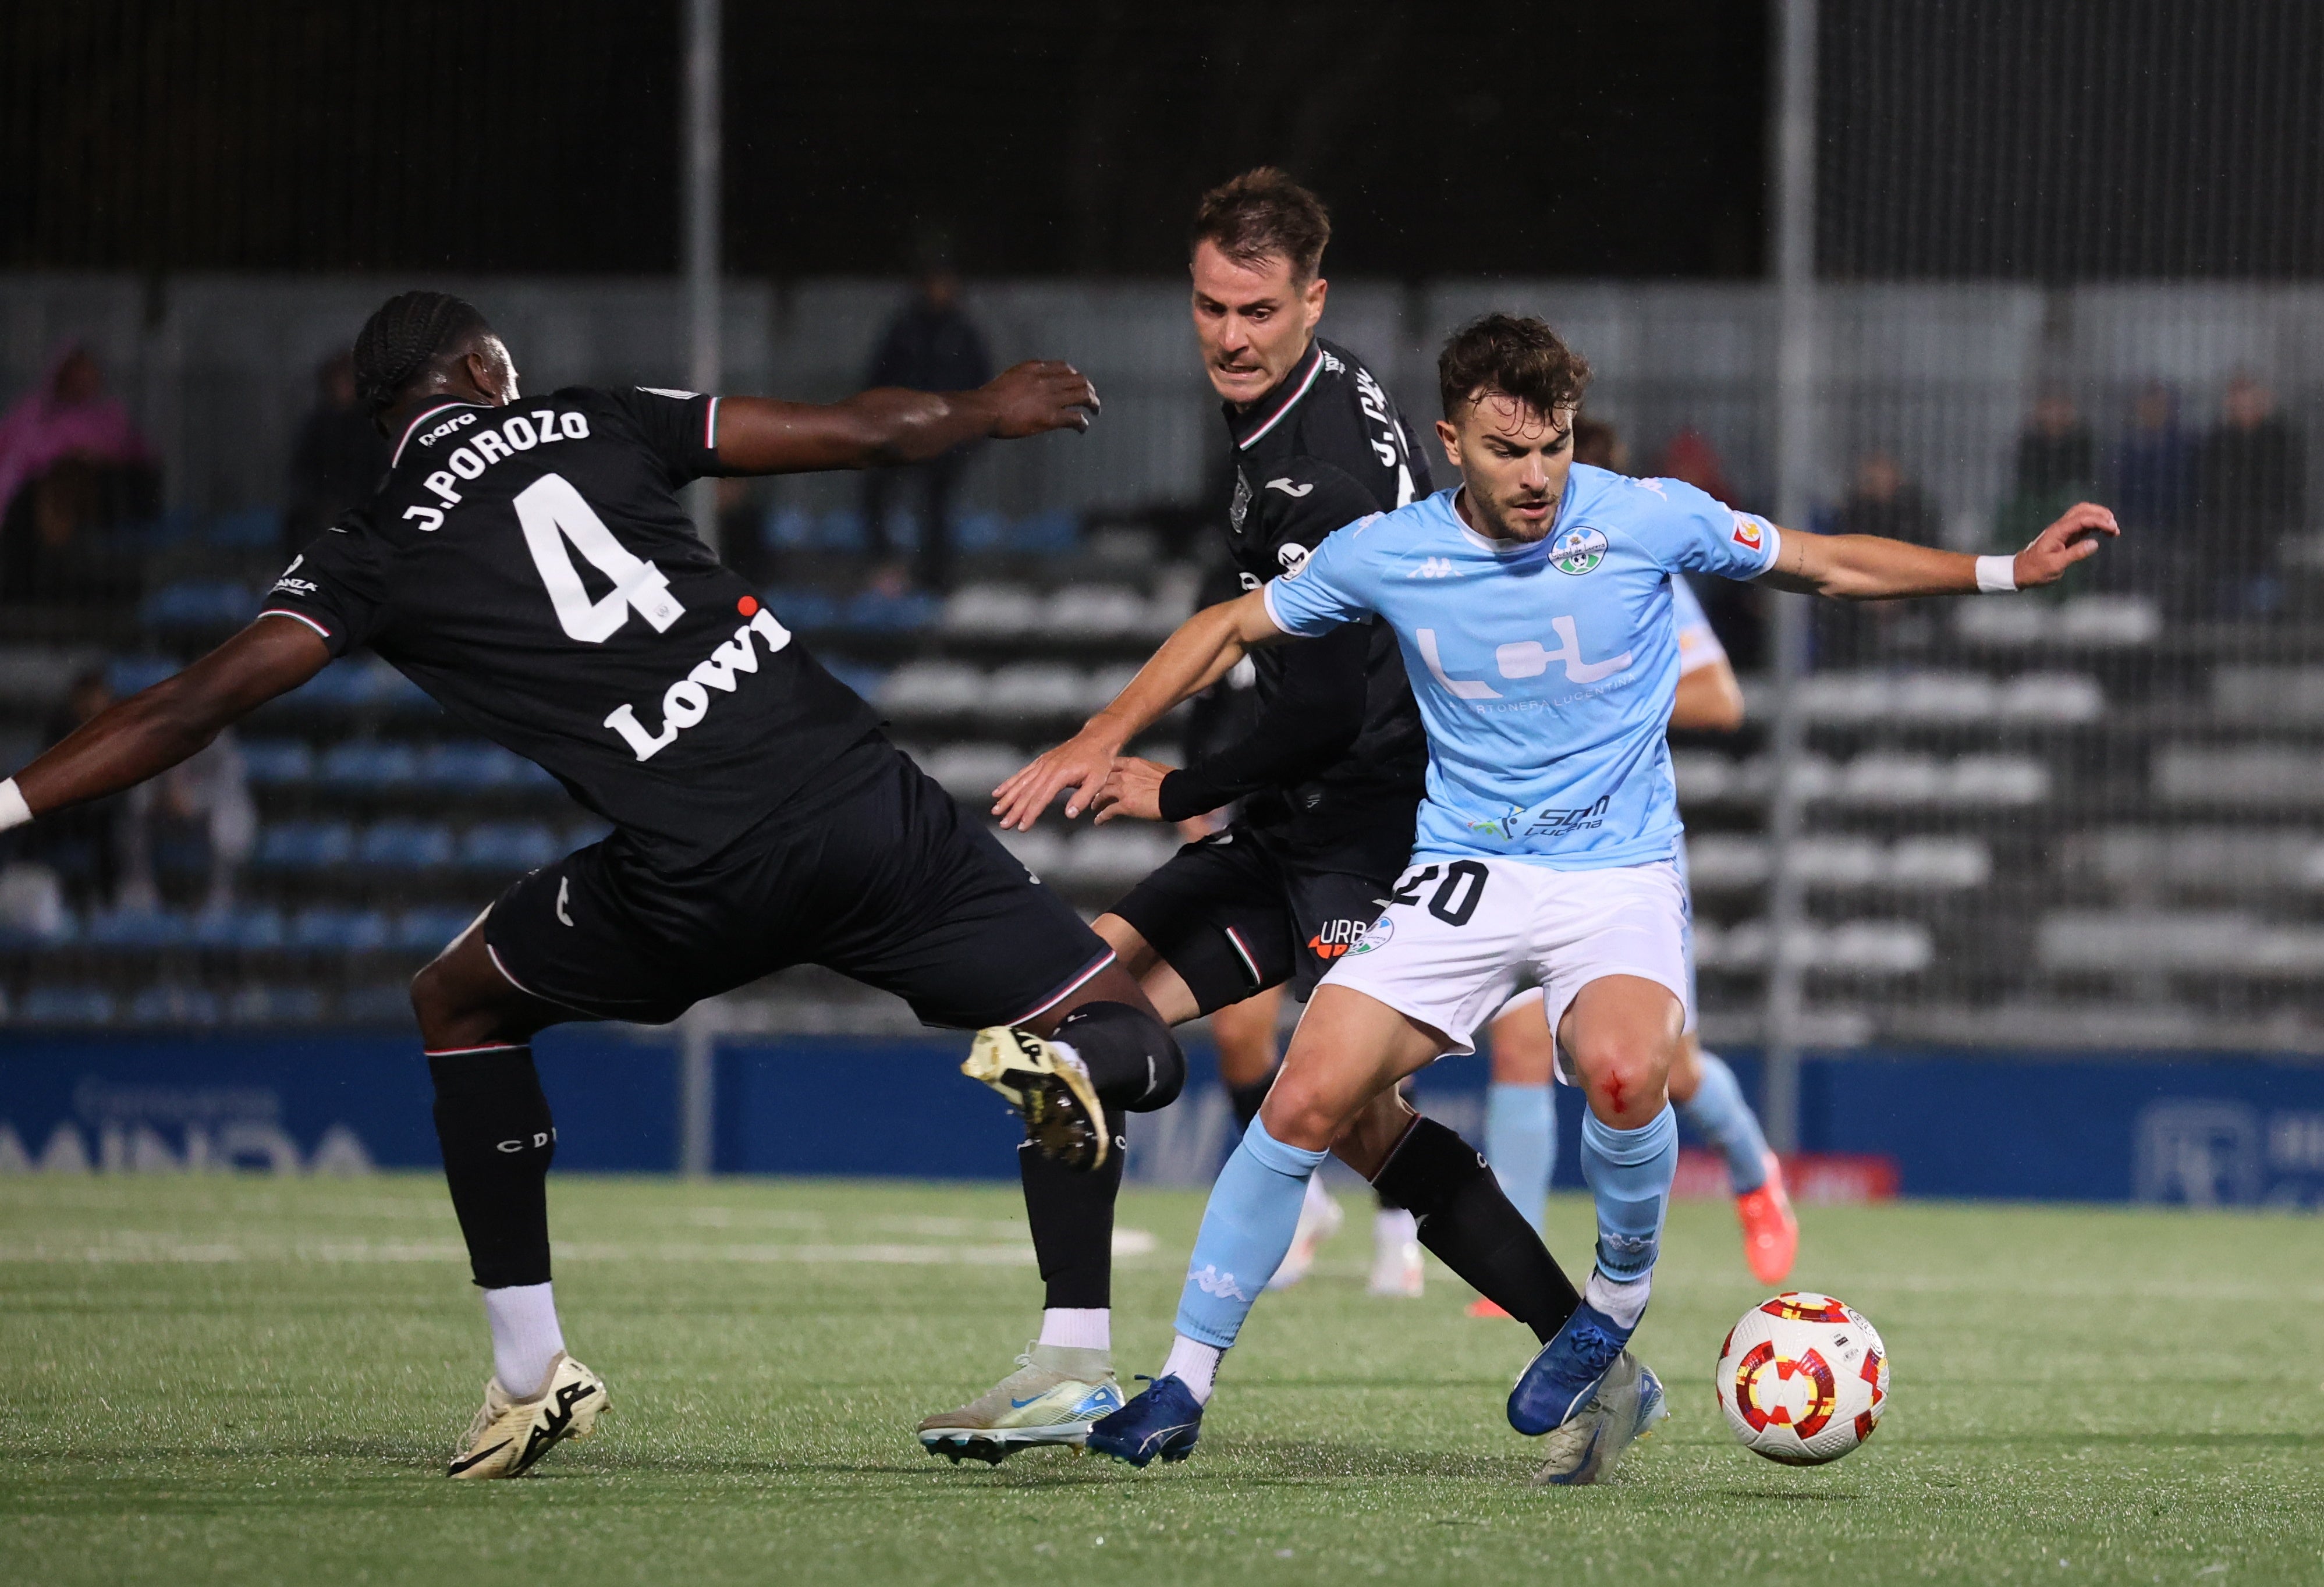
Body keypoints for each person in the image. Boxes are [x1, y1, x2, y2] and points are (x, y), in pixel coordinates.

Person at [0, 290, 1190, 1481]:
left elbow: (194, 702)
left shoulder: (371, 544)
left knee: (457, 1000)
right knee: (1115, 1028)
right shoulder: (595, 419)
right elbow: (858, 433)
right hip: (860, 802)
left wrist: (10, 800)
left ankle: (532, 1371)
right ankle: (1072, 1345)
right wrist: (984, 408)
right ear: (480, 366)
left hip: (697, 874)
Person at [997, 312, 2117, 1482]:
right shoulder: (1393, 549)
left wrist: (2006, 570)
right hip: (1463, 872)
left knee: (1624, 1071)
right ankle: (1182, 1379)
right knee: (1306, 1096)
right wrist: (1104, 732)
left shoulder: (1642, 514)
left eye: (1555, 447)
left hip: (1614, 876)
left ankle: (1611, 1301)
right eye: (1506, 450)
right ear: (1451, 442)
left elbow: (1821, 560)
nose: (1537, 477)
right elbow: (1232, 621)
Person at [918, 172, 1585, 1467]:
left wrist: (1173, 784)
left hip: (1379, 828)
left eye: (1256, 309)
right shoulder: (1299, 404)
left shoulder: (1317, 465)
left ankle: (1583, 1343)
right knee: (1061, 1015)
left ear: (1311, 300)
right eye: (1209, 304)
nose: (1227, 332)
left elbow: (1334, 699)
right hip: (1302, 812)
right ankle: (1067, 1361)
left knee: (1353, 1118)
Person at [1471, 569, 1797, 1315]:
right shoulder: (1483, 576)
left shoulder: (1633, 568)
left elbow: (1719, 696)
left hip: (1624, 853)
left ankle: (1755, 1175)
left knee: (1667, 1075)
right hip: (1518, 844)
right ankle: (1513, 1265)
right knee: (1519, 1046)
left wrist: (1581, 706)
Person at [860, 268, 992, 592]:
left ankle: (934, 580)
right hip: (904, 433)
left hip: (945, 438)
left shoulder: (962, 333)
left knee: (937, 509)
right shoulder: (906, 330)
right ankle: (886, 565)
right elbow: (880, 377)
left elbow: (981, 386)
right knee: (876, 494)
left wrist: (966, 433)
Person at [0, 345, 157, 605]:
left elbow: (131, 453)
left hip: (83, 506)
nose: (83, 380)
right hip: (25, 504)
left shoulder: (107, 416)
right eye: (77, 373)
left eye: (88, 373)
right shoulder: (33, 413)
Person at [2195, 372, 2304, 615]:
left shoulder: (2280, 440)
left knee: (2264, 601)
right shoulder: (2218, 442)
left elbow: (2289, 489)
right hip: (2227, 541)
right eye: (2238, 402)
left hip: (2268, 538)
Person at [283, 350, 391, 554]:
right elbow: (302, 473)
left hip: (365, 518)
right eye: (336, 382)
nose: (341, 388)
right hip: (319, 520)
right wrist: (321, 506)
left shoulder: (372, 426)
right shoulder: (317, 427)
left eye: (346, 381)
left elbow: (381, 472)